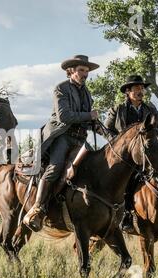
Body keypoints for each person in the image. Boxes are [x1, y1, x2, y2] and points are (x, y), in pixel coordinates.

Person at [22, 55, 100, 232]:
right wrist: (89, 116)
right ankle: (38, 208)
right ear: (71, 71)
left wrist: (102, 129)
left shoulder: (87, 92)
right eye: (81, 70)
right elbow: (64, 116)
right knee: (54, 168)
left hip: (80, 138)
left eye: (87, 71)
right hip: (62, 136)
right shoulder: (61, 88)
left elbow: (87, 118)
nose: (85, 74)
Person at [104, 75, 158, 232]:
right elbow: (106, 128)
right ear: (128, 91)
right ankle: (126, 216)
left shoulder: (151, 109)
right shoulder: (118, 109)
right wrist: (117, 141)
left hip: (145, 154)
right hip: (124, 156)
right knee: (129, 181)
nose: (141, 91)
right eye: (137, 88)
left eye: (142, 88)